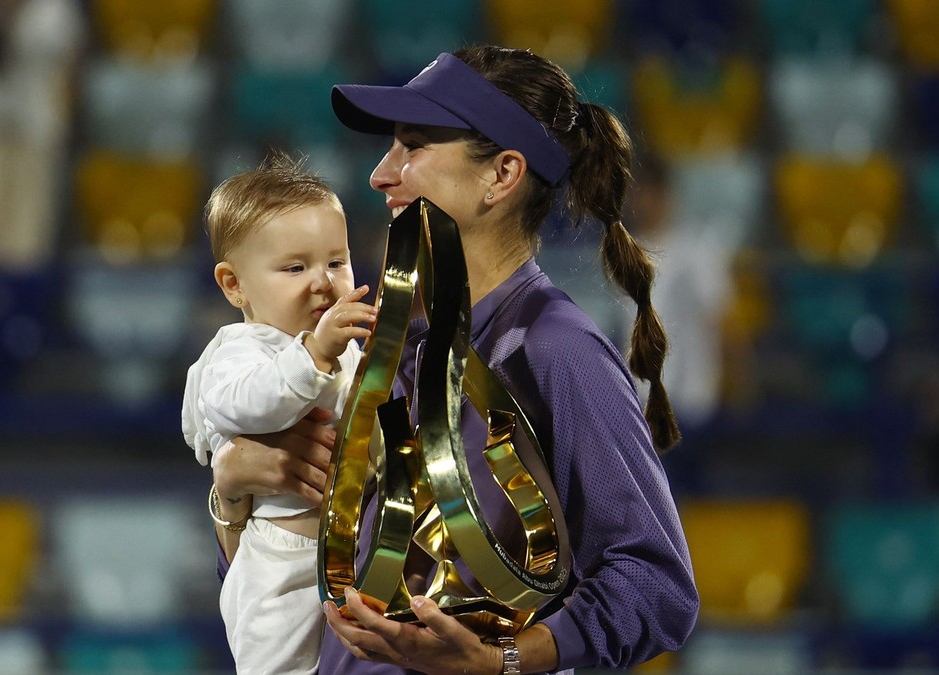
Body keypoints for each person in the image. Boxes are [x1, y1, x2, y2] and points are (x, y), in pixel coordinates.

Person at [209, 46, 699, 674]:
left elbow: (657, 587)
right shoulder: (391, 348)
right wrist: (234, 493)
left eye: (412, 147)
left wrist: (507, 661)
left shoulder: (554, 347)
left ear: (501, 175)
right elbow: (292, 592)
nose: (381, 175)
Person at [182, 153, 378, 675]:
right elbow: (251, 402)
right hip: (279, 555)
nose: (322, 282)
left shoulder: (343, 343)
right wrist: (315, 354)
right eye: (295, 268)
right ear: (233, 284)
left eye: (336, 262)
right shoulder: (239, 351)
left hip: (352, 549)